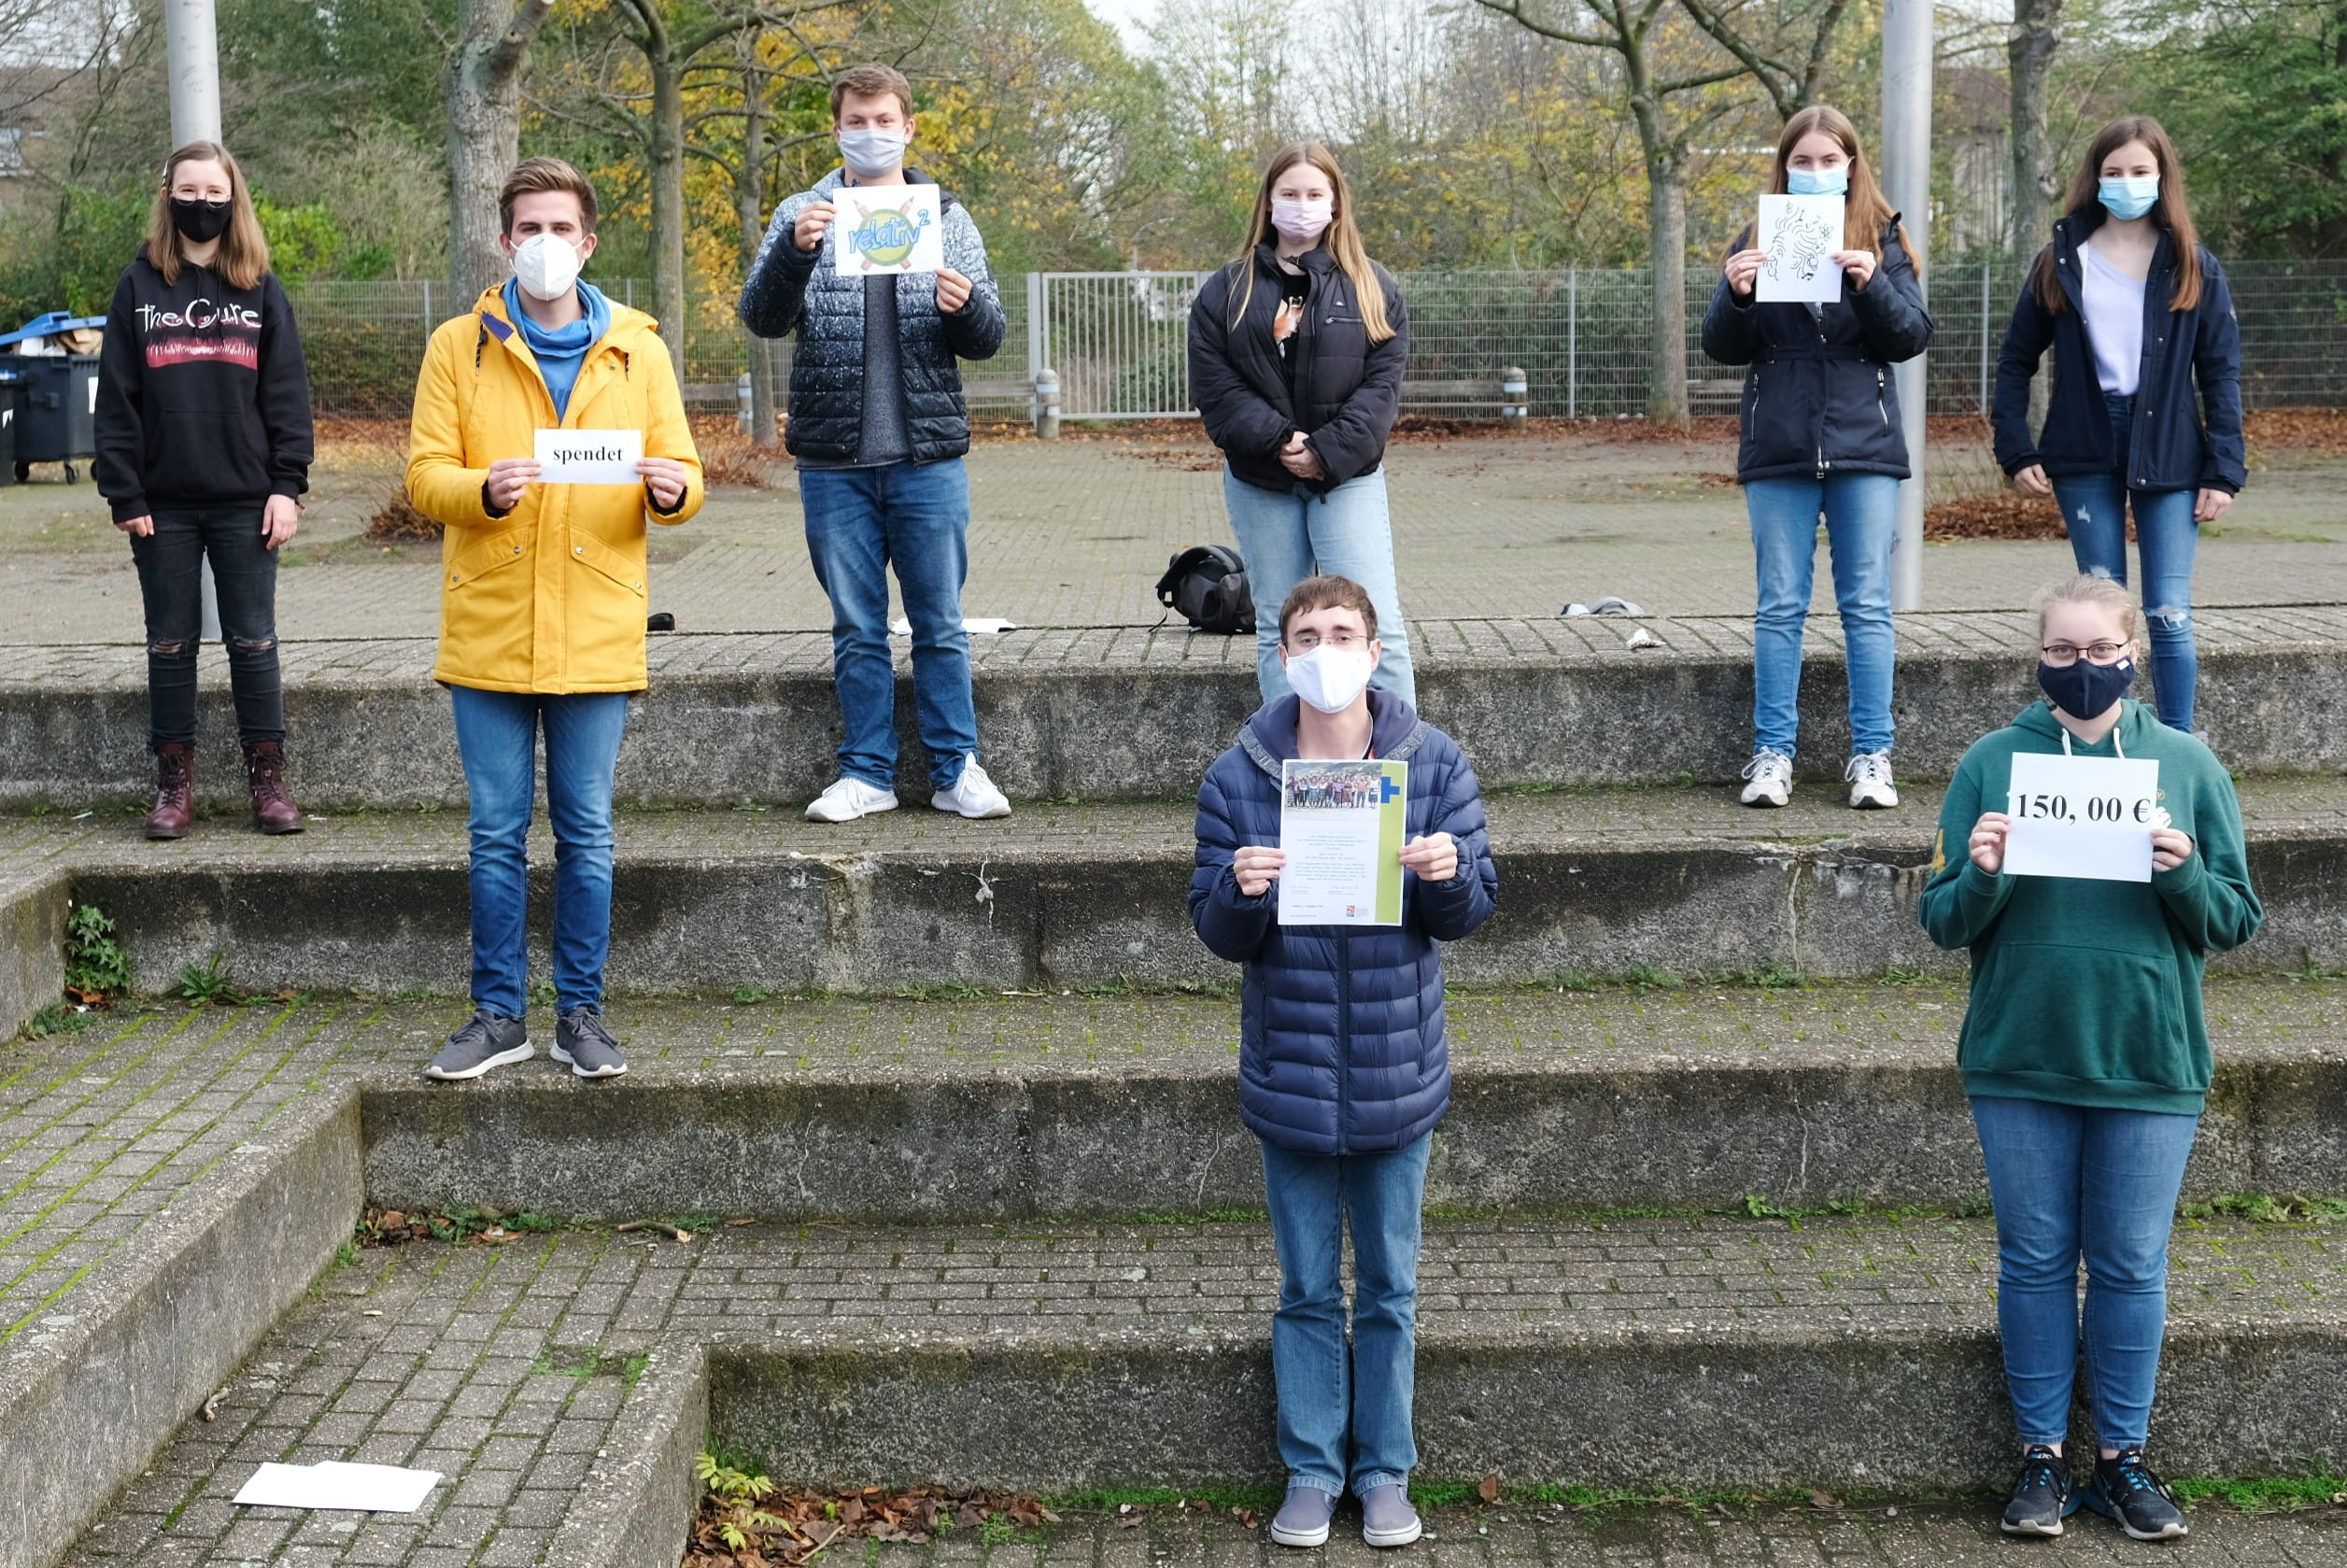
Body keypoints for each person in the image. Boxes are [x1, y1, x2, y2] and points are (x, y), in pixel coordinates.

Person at [1918, 572, 2260, 1542]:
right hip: (2019, 1048)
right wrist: (1981, 872)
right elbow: (1940, 917)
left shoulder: (2185, 763)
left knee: (2129, 1262)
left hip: (2149, 1053)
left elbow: (2234, 917)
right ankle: (2039, 1457)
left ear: (2132, 654)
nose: (2081, 667)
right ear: (2037, 656)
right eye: (2061, 651)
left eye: (2100, 650)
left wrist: (2182, 872)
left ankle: (2121, 1458)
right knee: (2032, 1260)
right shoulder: (1991, 761)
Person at [1188, 574, 1497, 1550]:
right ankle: (1313, 1469)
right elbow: (1214, 930)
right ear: (1282, 654)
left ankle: (1385, 1468)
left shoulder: (1431, 761)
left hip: (1396, 1073)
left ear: (1374, 651)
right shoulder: (1237, 776)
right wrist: (1238, 890)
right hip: (1289, 1070)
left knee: (1391, 1289)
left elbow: (1471, 909)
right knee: (1307, 1289)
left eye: (1341, 634)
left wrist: (1448, 873)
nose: (1324, 651)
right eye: (1306, 636)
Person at [405, 156, 703, 1081]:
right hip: (490, 625)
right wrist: (481, 489)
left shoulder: (640, 349)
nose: (544, 243)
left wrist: (671, 491)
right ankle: (498, 1016)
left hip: (597, 626)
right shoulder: (458, 346)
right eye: (528, 228)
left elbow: (686, 475)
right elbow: (423, 476)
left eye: (559, 228)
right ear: (505, 240)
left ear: (588, 241)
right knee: (495, 835)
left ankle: (582, 1014)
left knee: (587, 834)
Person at [739, 63, 1011, 825]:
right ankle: (866, 773)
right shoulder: (803, 212)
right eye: (856, 121)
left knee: (939, 623)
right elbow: (760, 318)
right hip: (834, 462)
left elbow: (989, 336)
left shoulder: (946, 216)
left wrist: (964, 307)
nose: (870, 133)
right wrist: (794, 251)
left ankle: (956, 769)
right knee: (856, 627)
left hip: (928, 458)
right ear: (836, 129)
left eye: (883, 120)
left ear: (908, 127)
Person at [1701, 105, 1933, 811]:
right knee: (1779, 606)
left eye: (1829, 160)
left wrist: (1871, 284)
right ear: (1783, 167)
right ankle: (1772, 754)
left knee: (1866, 605)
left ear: (1852, 165)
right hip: (1779, 448)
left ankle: (1872, 756)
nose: (1815, 171)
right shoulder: (1755, 237)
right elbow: (1720, 347)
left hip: (1865, 449)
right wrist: (1736, 296)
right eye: (1801, 161)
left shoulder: (1883, 239)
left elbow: (1910, 337)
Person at [1991, 117, 2244, 736]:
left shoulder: (2193, 264)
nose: (2126, 182)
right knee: (2100, 614)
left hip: (2171, 449)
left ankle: (2176, 748)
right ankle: (2107, 743)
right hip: (2082, 444)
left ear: (2161, 177)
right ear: (2095, 177)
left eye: (2139, 171)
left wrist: (2223, 469)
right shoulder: (2060, 262)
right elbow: (2015, 360)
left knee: (2168, 613)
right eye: (2113, 171)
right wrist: (2015, 447)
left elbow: (2220, 372)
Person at [92, 139, 314, 839]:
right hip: (162, 506)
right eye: (189, 191)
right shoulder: (137, 288)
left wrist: (287, 487)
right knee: (169, 644)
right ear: (168, 197)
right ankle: (173, 786)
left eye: (215, 193)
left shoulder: (260, 287)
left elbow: (287, 395)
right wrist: (124, 493)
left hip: (250, 500)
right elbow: (117, 400)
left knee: (253, 641)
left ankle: (268, 783)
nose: (202, 203)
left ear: (232, 198)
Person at [1189, 144, 1414, 711]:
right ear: (1268, 202)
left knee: (1374, 623)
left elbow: (1381, 390)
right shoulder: (1226, 291)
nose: (1302, 204)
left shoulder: (1372, 287)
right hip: (1262, 480)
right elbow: (1215, 387)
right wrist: (1280, 440)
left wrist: (1325, 451)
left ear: (1335, 203)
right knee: (1279, 624)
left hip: (1347, 479)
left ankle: (1398, 758)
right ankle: (1290, 756)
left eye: (1315, 193)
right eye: (1289, 193)